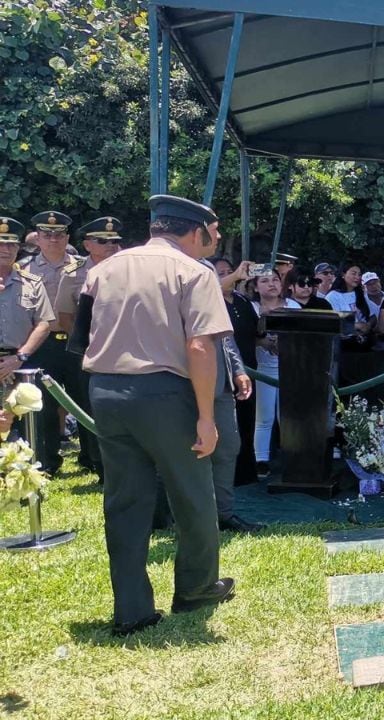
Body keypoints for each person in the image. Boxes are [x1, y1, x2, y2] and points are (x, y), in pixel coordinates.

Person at [71, 194, 236, 637]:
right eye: (213, 233)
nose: (216, 240)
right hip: (166, 395)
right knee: (194, 494)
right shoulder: (193, 273)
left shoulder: (102, 269)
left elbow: (81, 339)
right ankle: (197, 587)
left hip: (106, 391)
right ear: (193, 231)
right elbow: (201, 346)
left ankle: (131, 609)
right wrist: (206, 416)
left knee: (124, 501)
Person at [54, 217, 124, 476]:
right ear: (86, 244)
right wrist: (86, 345)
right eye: (102, 241)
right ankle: (99, 463)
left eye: (115, 241)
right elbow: (65, 316)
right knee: (91, 406)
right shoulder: (72, 275)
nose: (110, 246)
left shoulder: (128, 269)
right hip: (90, 352)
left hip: (124, 351)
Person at [20, 211, 79, 474]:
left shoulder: (83, 266)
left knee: (85, 400)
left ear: (67, 237)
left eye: (59, 234)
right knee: (43, 405)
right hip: (43, 345)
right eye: (47, 234)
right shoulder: (23, 269)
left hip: (77, 343)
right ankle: (48, 461)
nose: (53, 239)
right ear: (38, 239)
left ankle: (92, 457)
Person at [212, 259, 261, 490]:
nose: (228, 276)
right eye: (221, 273)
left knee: (247, 421)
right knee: (228, 425)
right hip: (222, 372)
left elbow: (255, 332)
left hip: (249, 369)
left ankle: (246, 473)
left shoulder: (242, 301)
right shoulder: (211, 301)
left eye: (230, 272)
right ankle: (226, 477)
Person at [250, 269, 301, 476]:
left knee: (288, 415)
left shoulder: (293, 306)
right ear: (255, 286)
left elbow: (303, 333)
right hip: (263, 367)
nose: (271, 284)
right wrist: (263, 341)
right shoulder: (251, 307)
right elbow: (243, 335)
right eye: (264, 280)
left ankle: (294, 457)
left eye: (275, 280)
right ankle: (260, 459)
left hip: (292, 366)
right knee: (264, 416)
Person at [0, 218, 53, 389]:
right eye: (0, 244)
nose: (5, 250)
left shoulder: (33, 283)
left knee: (23, 414)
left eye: (11, 245)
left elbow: (44, 324)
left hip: (20, 364)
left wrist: (19, 357)